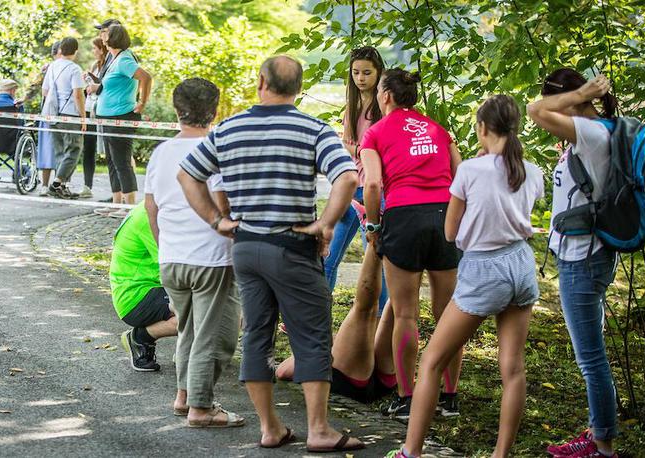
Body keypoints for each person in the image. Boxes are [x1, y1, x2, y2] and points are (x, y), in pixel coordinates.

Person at [177, 55, 364, 452]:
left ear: (261, 81)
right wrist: (325, 223)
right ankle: (318, 430)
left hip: (245, 246)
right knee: (311, 338)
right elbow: (347, 176)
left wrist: (216, 220)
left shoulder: (227, 129)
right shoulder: (314, 129)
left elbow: (187, 174)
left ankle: (270, 428)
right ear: (297, 87)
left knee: (256, 337)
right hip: (292, 247)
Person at [388, 95, 544, 458]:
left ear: (482, 128)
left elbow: (449, 232)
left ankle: (411, 452)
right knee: (513, 368)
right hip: (521, 264)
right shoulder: (532, 170)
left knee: (431, 362)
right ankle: (500, 455)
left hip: (483, 268)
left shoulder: (470, 171)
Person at [360, 68, 463, 420]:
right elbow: (460, 175)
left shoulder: (374, 132)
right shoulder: (438, 129)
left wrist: (373, 225)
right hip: (444, 215)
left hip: (404, 216)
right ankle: (449, 398)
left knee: (405, 313)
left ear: (386, 95)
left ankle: (406, 399)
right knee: (448, 312)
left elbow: (372, 185)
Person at [528, 71, 620, 458]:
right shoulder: (593, 132)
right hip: (586, 254)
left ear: (568, 98)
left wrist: (581, 94)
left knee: (591, 359)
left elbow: (533, 109)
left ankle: (603, 446)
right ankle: (597, 432)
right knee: (591, 355)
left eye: (560, 100)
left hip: (583, 259)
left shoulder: (593, 133)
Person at [144, 77, 243, 428]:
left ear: (175, 109)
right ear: (215, 111)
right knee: (214, 333)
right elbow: (221, 200)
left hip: (173, 257)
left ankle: (184, 396)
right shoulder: (216, 149)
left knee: (188, 328)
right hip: (210, 256)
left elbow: (151, 207)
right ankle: (202, 408)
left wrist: (163, 245)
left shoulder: (160, 152)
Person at [276, 240, 397, 404]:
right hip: (350, 381)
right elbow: (282, 372)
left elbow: (284, 371)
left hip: (364, 378)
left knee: (395, 307)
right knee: (371, 309)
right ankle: (375, 235)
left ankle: (384, 235)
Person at [324, 46, 389, 315]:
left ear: (378, 73)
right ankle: (316, 315)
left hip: (375, 190)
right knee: (328, 255)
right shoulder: (351, 107)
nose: (360, 78)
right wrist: (356, 148)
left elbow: (375, 147)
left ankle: (381, 321)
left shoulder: (384, 106)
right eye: (355, 73)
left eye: (366, 73)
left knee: (373, 261)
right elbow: (347, 147)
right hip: (350, 188)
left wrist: (357, 147)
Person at [91, 24, 152, 217]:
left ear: (113, 37)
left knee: (122, 162)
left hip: (121, 116)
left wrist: (141, 103)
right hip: (108, 116)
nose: (102, 36)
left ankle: (129, 207)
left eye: (105, 33)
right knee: (112, 161)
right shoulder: (112, 58)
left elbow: (146, 78)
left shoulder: (124, 59)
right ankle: (117, 204)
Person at [110, 201, 178, 371]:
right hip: (136, 297)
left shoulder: (154, 208)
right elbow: (173, 265)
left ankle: (189, 350)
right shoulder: (149, 218)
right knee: (196, 313)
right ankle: (140, 338)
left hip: (147, 288)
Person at [41, 37, 86, 199]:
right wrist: (83, 117)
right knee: (74, 150)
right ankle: (57, 183)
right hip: (70, 115)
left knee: (60, 152)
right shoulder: (74, 69)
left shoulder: (53, 67)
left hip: (53, 114)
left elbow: (45, 91)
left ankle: (62, 187)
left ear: (60, 50)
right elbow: (78, 95)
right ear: (75, 51)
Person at [78, 37, 108, 199]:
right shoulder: (94, 65)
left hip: (104, 111)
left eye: (95, 48)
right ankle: (87, 185)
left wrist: (94, 82)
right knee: (88, 148)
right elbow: (90, 88)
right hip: (90, 109)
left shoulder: (109, 65)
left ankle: (117, 191)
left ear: (102, 49)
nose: (92, 51)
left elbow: (105, 86)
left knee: (109, 151)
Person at [34, 41, 61, 196]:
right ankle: (48, 185)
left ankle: (52, 185)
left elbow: (39, 88)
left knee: (52, 148)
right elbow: (39, 87)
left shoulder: (51, 67)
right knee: (53, 148)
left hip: (50, 112)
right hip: (53, 112)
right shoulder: (50, 68)